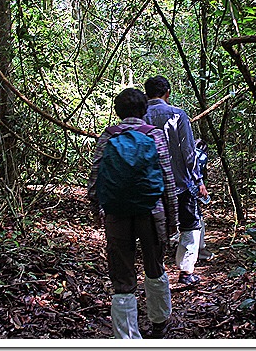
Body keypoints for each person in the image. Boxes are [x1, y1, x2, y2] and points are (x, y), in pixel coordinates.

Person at [87, 88, 179, 339]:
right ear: (144, 111)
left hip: (116, 213)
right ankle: (159, 321)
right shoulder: (154, 135)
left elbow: (96, 175)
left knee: (122, 274)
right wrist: (173, 219)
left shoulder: (108, 135)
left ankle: (127, 338)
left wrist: (97, 208)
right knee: (155, 265)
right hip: (152, 212)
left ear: (118, 112)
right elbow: (167, 179)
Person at [143, 76, 209, 286]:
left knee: (155, 226)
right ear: (168, 93)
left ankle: (156, 271)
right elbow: (188, 151)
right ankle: (186, 272)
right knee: (190, 225)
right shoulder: (178, 115)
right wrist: (198, 179)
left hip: (152, 184)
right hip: (180, 183)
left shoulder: (140, 116)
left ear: (147, 94)